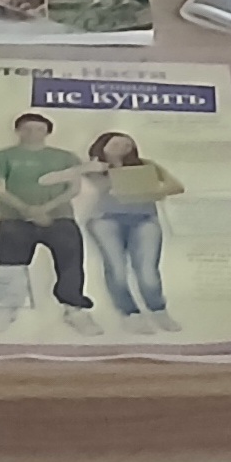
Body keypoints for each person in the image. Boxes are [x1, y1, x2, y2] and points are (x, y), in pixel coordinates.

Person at [0, 111, 94, 334]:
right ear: (18, 131)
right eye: (27, 128)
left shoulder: (65, 158)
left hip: (59, 218)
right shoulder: (0, 157)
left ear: (48, 132)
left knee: (70, 263)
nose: (33, 133)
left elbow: (73, 189)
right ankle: (6, 308)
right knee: (10, 265)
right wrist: (27, 210)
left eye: (39, 129)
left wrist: (43, 209)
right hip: (14, 219)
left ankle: (74, 308)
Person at [79, 130, 184, 332]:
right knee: (116, 269)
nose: (122, 148)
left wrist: (153, 192)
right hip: (106, 220)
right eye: (116, 144)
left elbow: (176, 186)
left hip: (144, 219)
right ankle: (129, 313)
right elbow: (73, 180)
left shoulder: (145, 165)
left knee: (147, 270)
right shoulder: (94, 167)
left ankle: (158, 310)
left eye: (127, 145)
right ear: (102, 145)